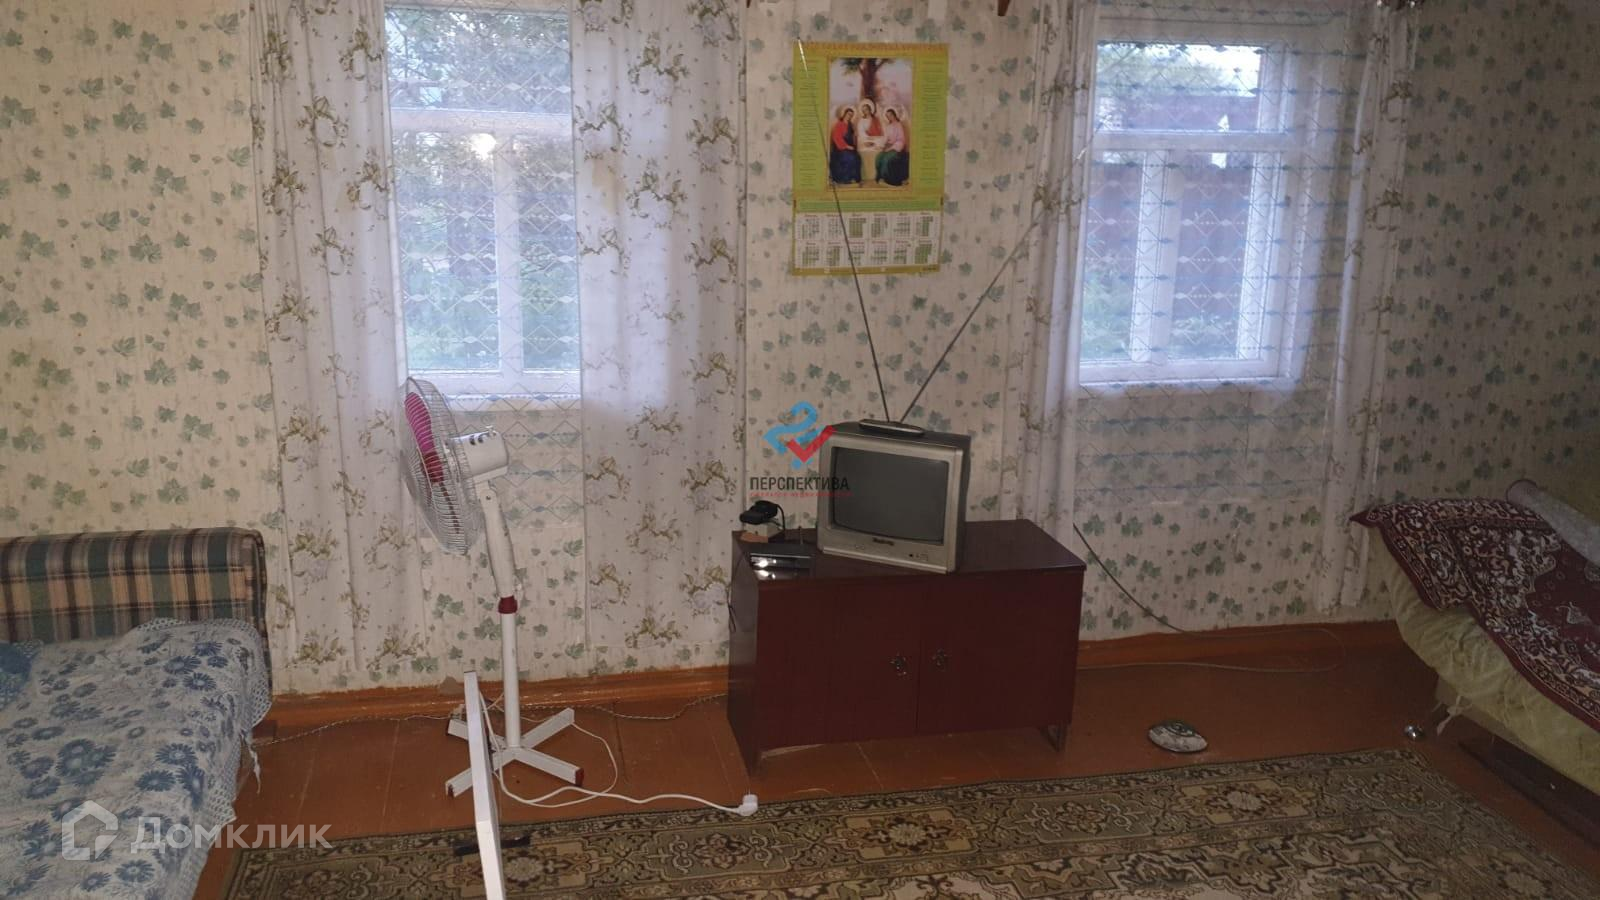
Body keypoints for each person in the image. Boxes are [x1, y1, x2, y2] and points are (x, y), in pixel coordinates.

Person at [876, 107, 910, 186]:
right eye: (887, 116)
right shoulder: (888, 126)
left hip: (897, 148)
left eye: (890, 115)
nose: (889, 117)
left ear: (894, 115)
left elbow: (901, 140)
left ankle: (888, 180)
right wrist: (883, 145)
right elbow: (886, 138)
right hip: (889, 147)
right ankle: (881, 177)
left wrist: (890, 148)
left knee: (887, 159)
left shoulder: (899, 125)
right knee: (879, 157)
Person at [829, 106, 861, 185]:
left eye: (851, 115)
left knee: (857, 157)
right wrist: (847, 146)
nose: (849, 116)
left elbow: (852, 137)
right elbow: (837, 138)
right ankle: (845, 179)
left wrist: (855, 135)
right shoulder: (839, 124)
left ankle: (853, 177)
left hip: (849, 147)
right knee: (850, 158)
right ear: (844, 114)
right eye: (848, 114)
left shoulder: (851, 125)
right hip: (840, 149)